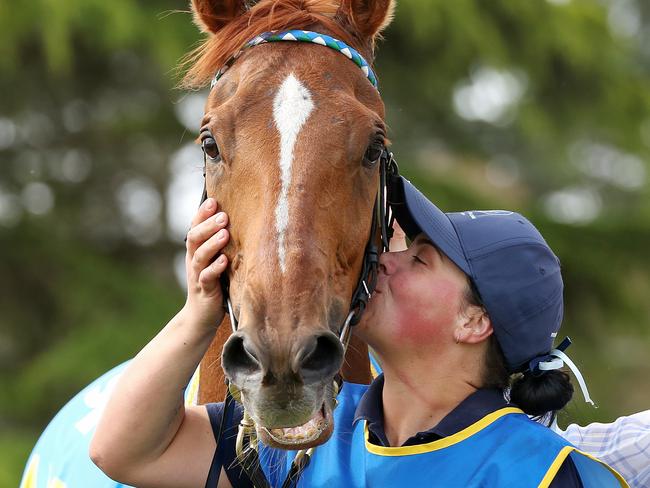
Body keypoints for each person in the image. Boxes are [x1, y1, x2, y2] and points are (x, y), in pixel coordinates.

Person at [90, 176, 628, 487]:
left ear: (474, 321)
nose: (384, 264)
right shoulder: (311, 430)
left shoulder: (547, 474)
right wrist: (200, 312)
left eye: (419, 260)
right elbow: (124, 450)